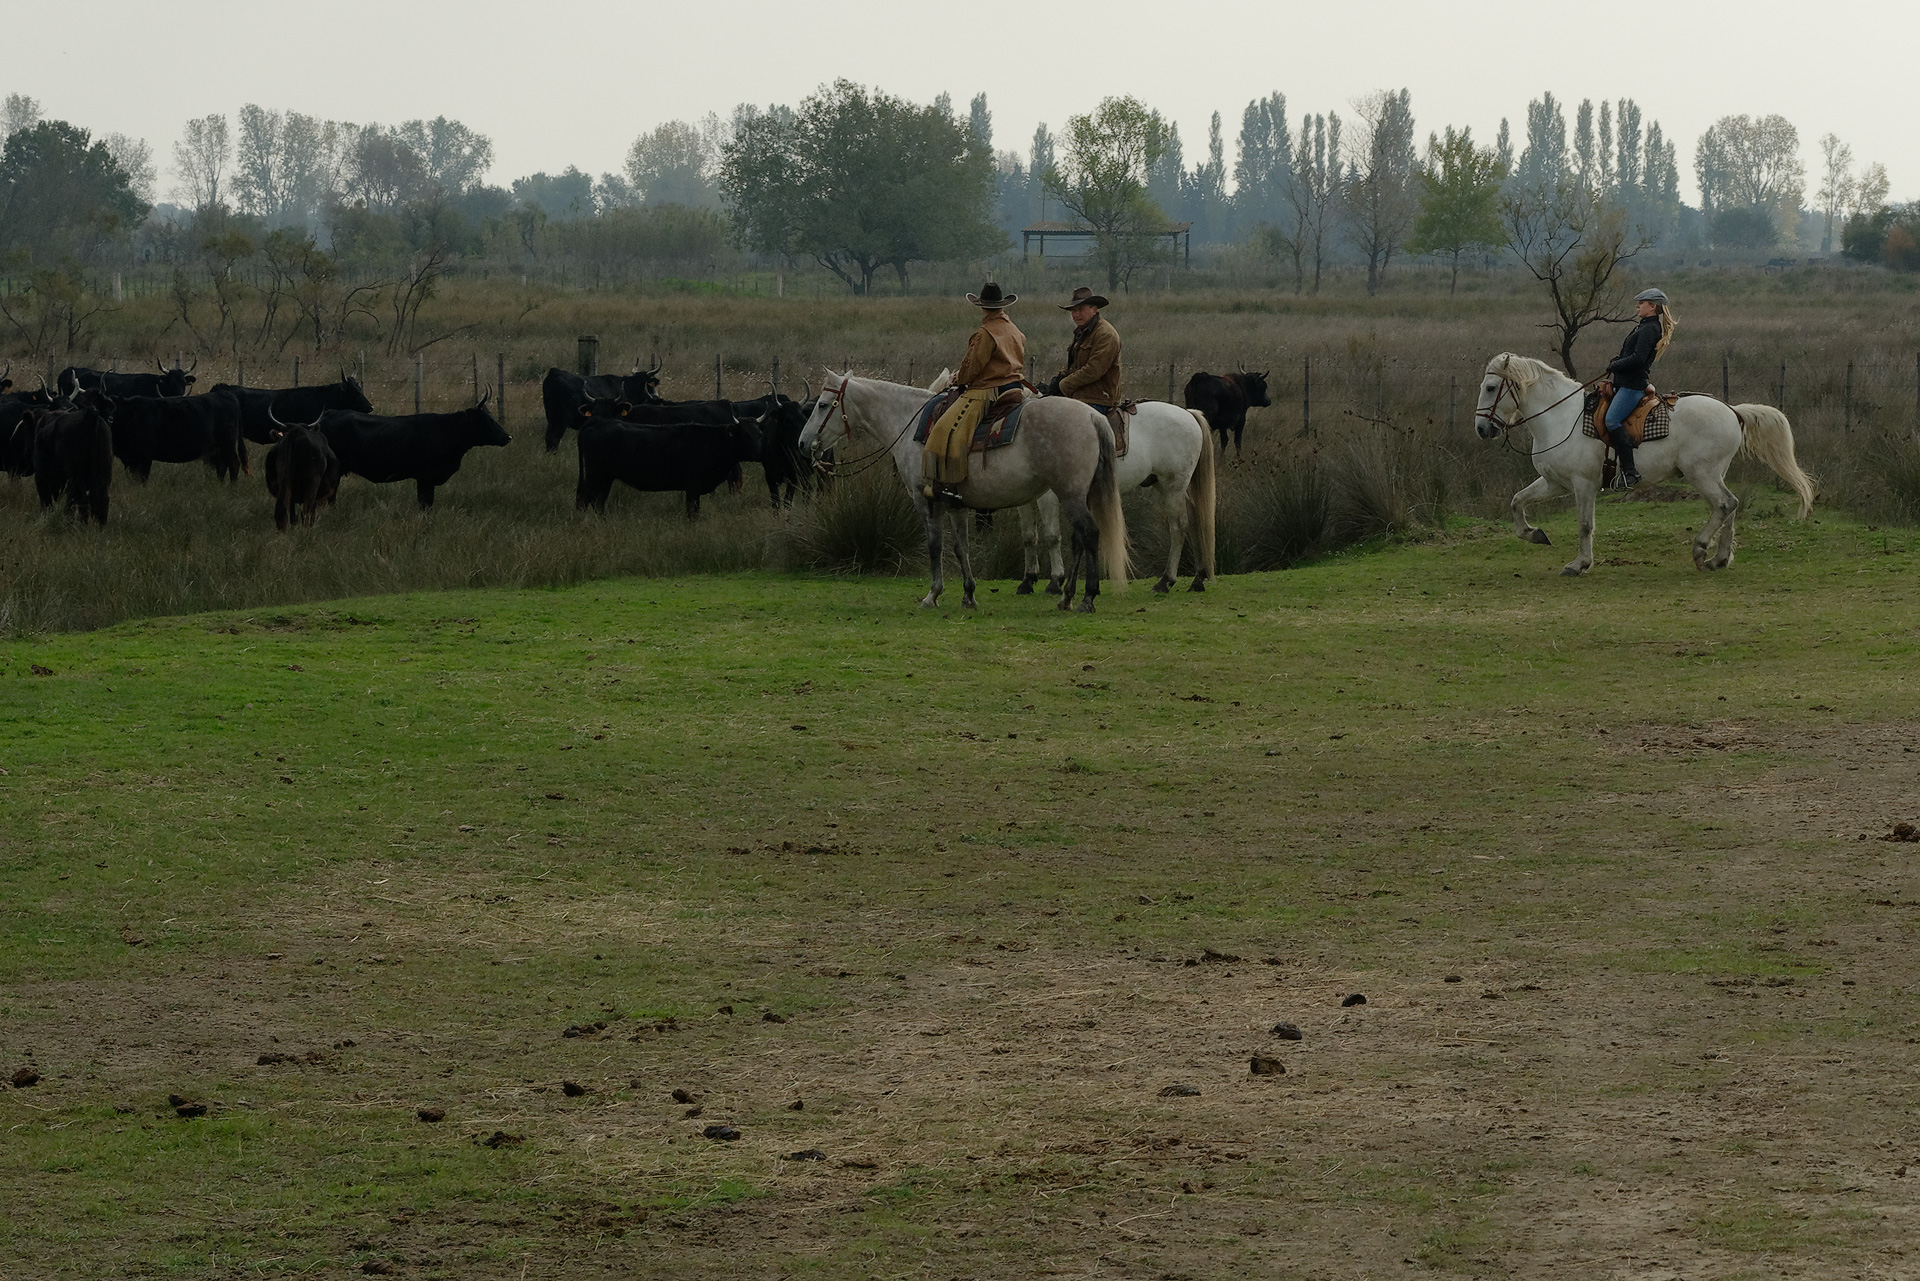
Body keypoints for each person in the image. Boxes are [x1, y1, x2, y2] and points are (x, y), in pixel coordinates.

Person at [923, 281, 1025, 503]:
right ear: (1001, 306)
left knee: (945, 429)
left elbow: (972, 366)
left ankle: (948, 483)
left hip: (988, 390)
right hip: (1016, 386)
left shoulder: (985, 333)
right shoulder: (1014, 329)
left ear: (982, 306)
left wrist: (960, 378)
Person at [1603, 287, 1677, 488]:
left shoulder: (1649, 329)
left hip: (1632, 386)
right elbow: (1630, 354)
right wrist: (1617, 361)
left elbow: (1638, 359)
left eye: (1641, 303)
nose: (1637, 306)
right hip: (1624, 382)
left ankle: (1630, 472)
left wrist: (1615, 365)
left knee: (1611, 420)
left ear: (1652, 306)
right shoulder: (1643, 326)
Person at [1047, 286, 1125, 448]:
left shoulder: (1106, 334)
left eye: (1081, 309)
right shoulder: (1083, 332)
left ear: (1094, 309)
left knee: (1067, 439)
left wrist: (1062, 385)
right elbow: (1074, 364)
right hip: (1080, 395)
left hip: (1098, 398)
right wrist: (1058, 379)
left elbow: (1093, 370)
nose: (1076, 314)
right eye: (1073, 310)